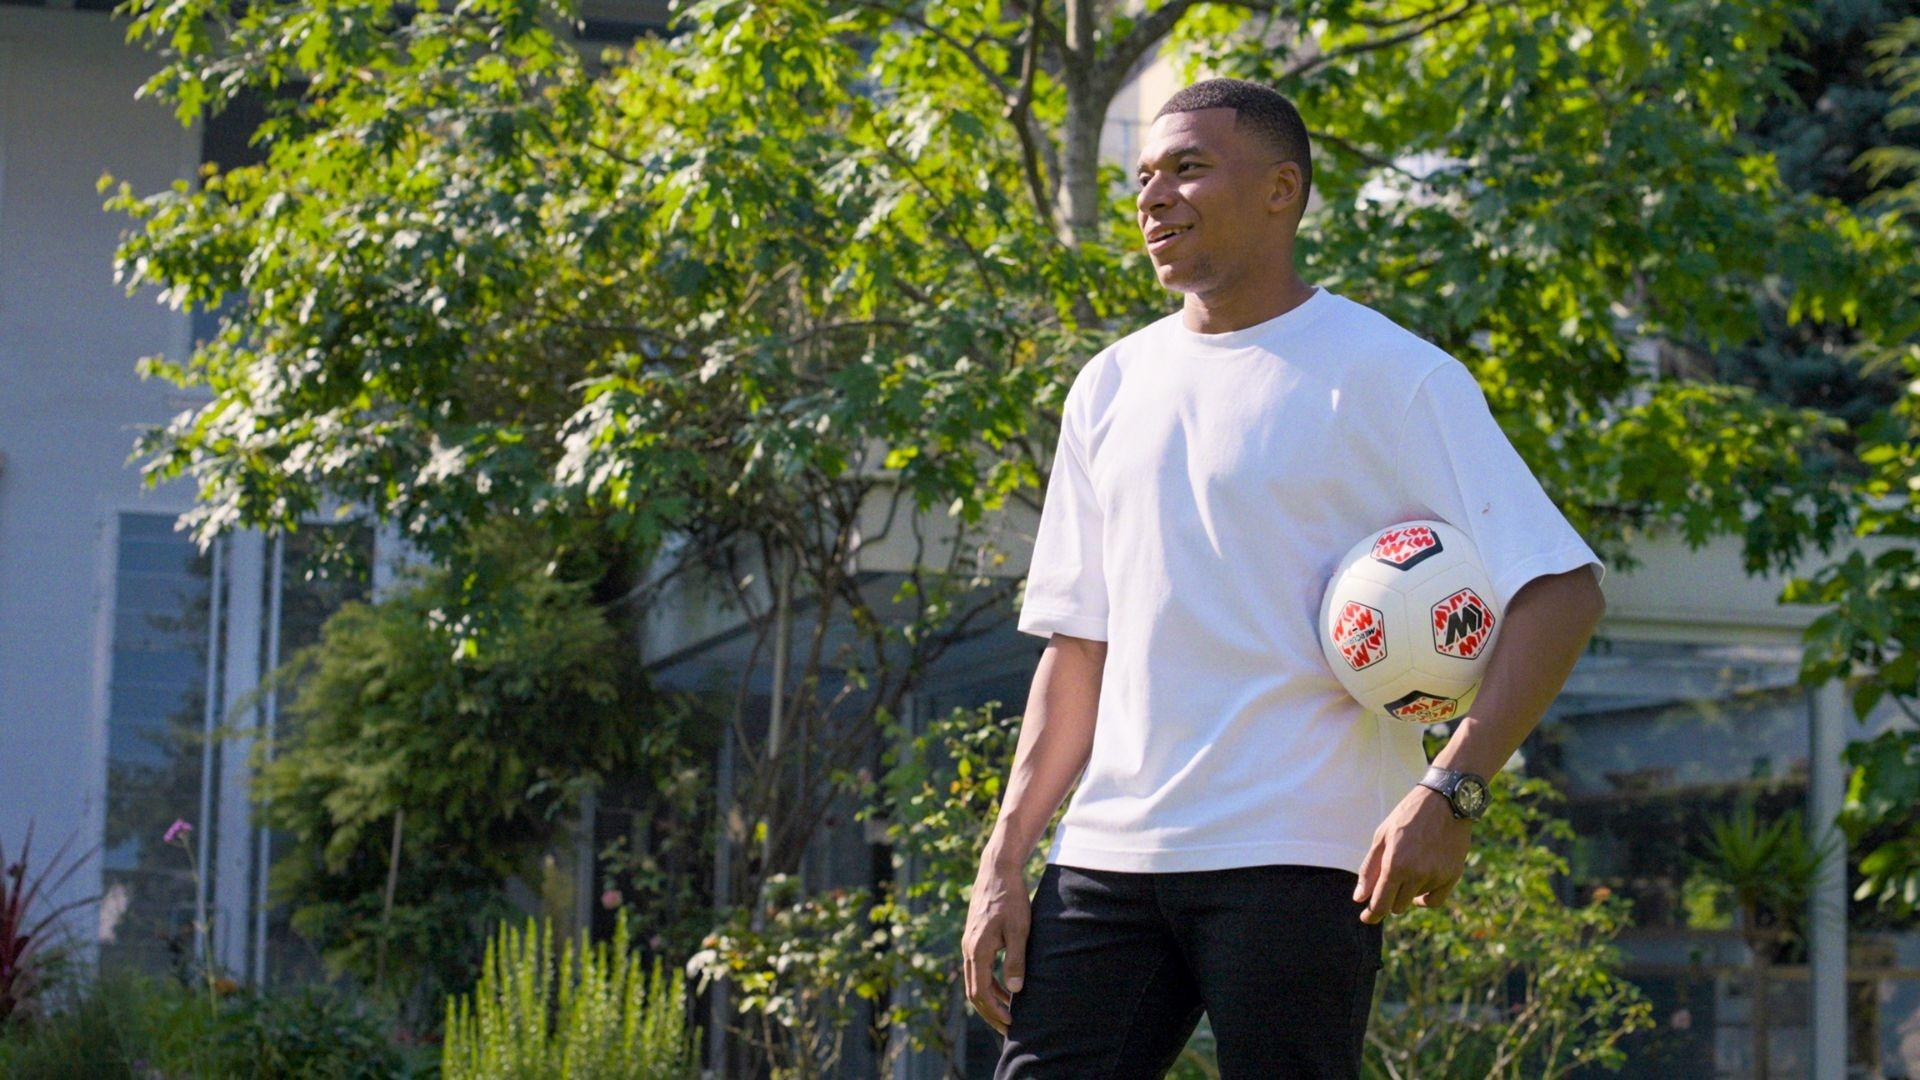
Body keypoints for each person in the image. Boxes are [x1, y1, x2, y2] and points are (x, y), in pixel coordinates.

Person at [963, 77, 1610, 1079]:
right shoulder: (1111, 385)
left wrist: (1456, 787)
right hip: (1110, 853)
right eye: (1143, 176)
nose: (1154, 196)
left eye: (1188, 168)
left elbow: (1560, 590)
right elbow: (1078, 646)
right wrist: (1005, 859)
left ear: (1282, 190)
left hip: (1300, 856)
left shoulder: (1392, 376)